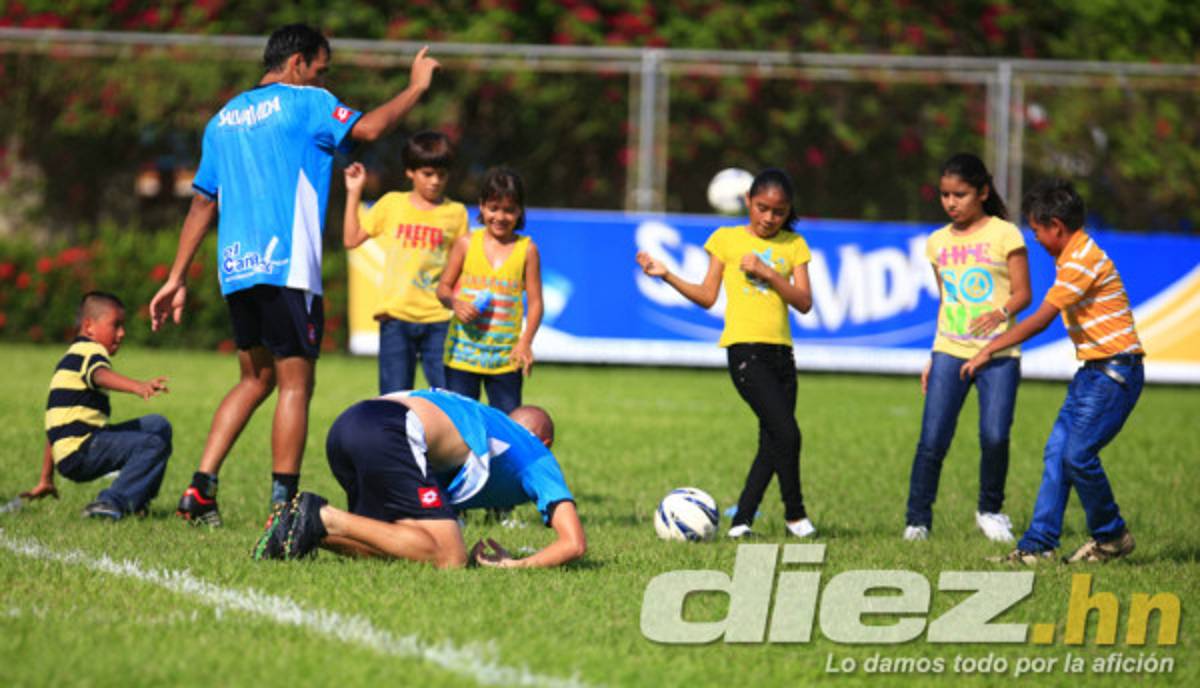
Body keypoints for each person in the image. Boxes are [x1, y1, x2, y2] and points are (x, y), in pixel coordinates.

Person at [148, 24, 439, 526]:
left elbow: (202, 199)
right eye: (321, 68)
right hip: (289, 268)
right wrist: (416, 87)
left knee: (255, 378)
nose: (323, 77)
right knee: (294, 385)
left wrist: (176, 276)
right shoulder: (307, 101)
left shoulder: (224, 118)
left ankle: (199, 491)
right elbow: (367, 130)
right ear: (299, 62)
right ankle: (282, 505)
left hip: (237, 267)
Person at [962, 178, 1144, 565]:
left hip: (1115, 374)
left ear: (1056, 227)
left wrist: (990, 349)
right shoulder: (1074, 255)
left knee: (1077, 454)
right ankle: (1038, 546)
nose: (1036, 239)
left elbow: (1042, 319)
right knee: (1058, 453)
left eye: (1037, 230)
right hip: (1095, 373)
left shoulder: (1080, 261)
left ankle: (1111, 535)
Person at [636, 168, 817, 540]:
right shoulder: (726, 239)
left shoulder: (794, 245)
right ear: (748, 202)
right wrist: (666, 274)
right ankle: (795, 515)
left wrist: (769, 273)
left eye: (778, 212)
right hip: (745, 353)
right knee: (789, 434)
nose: (769, 217)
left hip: (784, 355)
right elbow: (707, 296)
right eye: (762, 207)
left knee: (773, 440)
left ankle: (741, 522)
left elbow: (804, 302)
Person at [252, 388, 586, 569]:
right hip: (392, 429)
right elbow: (574, 544)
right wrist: (513, 566)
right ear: (546, 442)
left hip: (348, 424)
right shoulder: (537, 454)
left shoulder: (490, 421)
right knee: (450, 557)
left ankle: (299, 528)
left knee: (392, 545)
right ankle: (321, 516)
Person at [903, 153, 1031, 543]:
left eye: (960, 194)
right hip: (950, 351)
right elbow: (947, 302)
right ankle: (917, 521)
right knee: (933, 440)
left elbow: (1024, 293)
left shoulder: (1005, 233)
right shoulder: (937, 242)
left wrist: (999, 313)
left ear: (983, 192)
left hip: (998, 356)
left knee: (994, 436)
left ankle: (990, 512)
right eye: (944, 195)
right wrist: (934, 354)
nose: (951, 202)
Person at [26, 292, 172, 520]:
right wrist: (137, 386)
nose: (122, 333)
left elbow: (54, 428)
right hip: (83, 450)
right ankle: (110, 503)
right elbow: (99, 374)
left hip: (80, 448)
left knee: (157, 425)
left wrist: (46, 478)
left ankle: (137, 503)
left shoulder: (72, 359)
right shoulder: (89, 352)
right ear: (89, 326)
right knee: (152, 444)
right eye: (116, 325)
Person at [342, 131, 468, 394]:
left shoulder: (456, 214)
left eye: (441, 175)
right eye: (427, 173)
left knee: (450, 397)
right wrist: (354, 192)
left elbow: (463, 266)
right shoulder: (392, 204)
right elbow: (351, 239)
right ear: (410, 172)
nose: (435, 181)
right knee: (394, 399)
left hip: (439, 318)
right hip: (396, 317)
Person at [436, 168, 543, 414]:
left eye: (509, 210)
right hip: (462, 356)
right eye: (494, 208)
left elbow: (536, 303)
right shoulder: (465, 243)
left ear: (519, 212)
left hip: (505, 360)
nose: (500, 216)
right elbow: (442, 288)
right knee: (461, 427)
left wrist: (525, 342)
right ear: (482, 207)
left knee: (506, 429)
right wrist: (455, 303)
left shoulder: (527, 250)